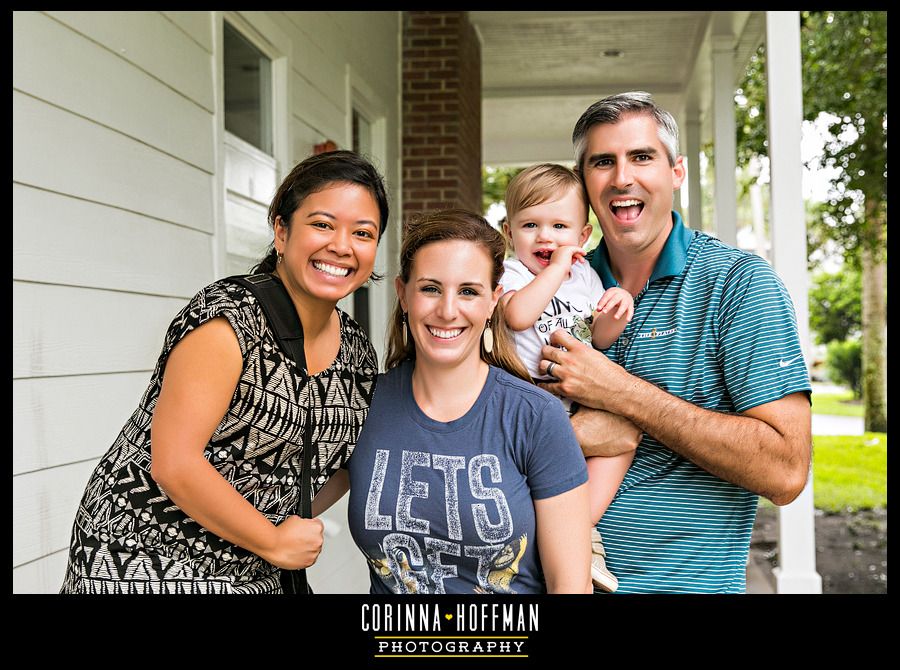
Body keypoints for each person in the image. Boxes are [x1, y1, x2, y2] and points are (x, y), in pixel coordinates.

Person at [60, 150, 389, 594]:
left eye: (363, 233)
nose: (342, 245)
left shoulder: (356, 352)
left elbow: (346, 463)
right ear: (281, 229)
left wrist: (283, 521)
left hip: (253, 561)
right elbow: (175, 463)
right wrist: (272, 538)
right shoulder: (228, 320)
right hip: (145, 555)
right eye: (323, 224)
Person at [537, 91, 813, 593]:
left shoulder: (738, 284)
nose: (622, 177)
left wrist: (622, 393)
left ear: (677, 172)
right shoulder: (551, 288)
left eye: (641, 157)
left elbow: (786, 469)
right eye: (603, 162)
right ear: (583, 182)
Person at [340, 209, 592, 594]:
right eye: (430, 288)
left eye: (469, 291)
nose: (447, 310)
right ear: (403, 294)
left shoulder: (534, 417)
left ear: (494, 300)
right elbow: (285, 499)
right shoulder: (361, 406)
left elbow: (570, 587)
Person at [498, 163, 634, 592]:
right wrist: (556, 268)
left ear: (583, 237)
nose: (545, 237)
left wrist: (616, 308)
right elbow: (519, 315)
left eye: (559, 226)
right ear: (509, 231)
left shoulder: (586, 278)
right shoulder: (510, 274)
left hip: (575, 401)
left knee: (622, 442)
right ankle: (560, 543)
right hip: (528, 403)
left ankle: (579, 533)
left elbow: (600, 339)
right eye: (531, 225)